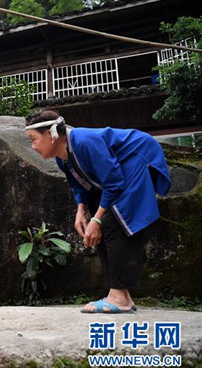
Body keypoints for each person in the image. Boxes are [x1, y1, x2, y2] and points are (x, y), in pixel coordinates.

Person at [25, 110, 171, 314]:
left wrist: (97, 220)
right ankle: (122, 296)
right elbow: (79, 185)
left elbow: (113, 181)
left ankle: (118, 296)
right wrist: (81, 212)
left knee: (114, 222)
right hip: (117, 174)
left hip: (136, 157)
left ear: (51, 134)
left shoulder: (85, 141)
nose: (33, 146)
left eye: (33, 139)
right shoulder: (62, 158)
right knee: (100, 227)